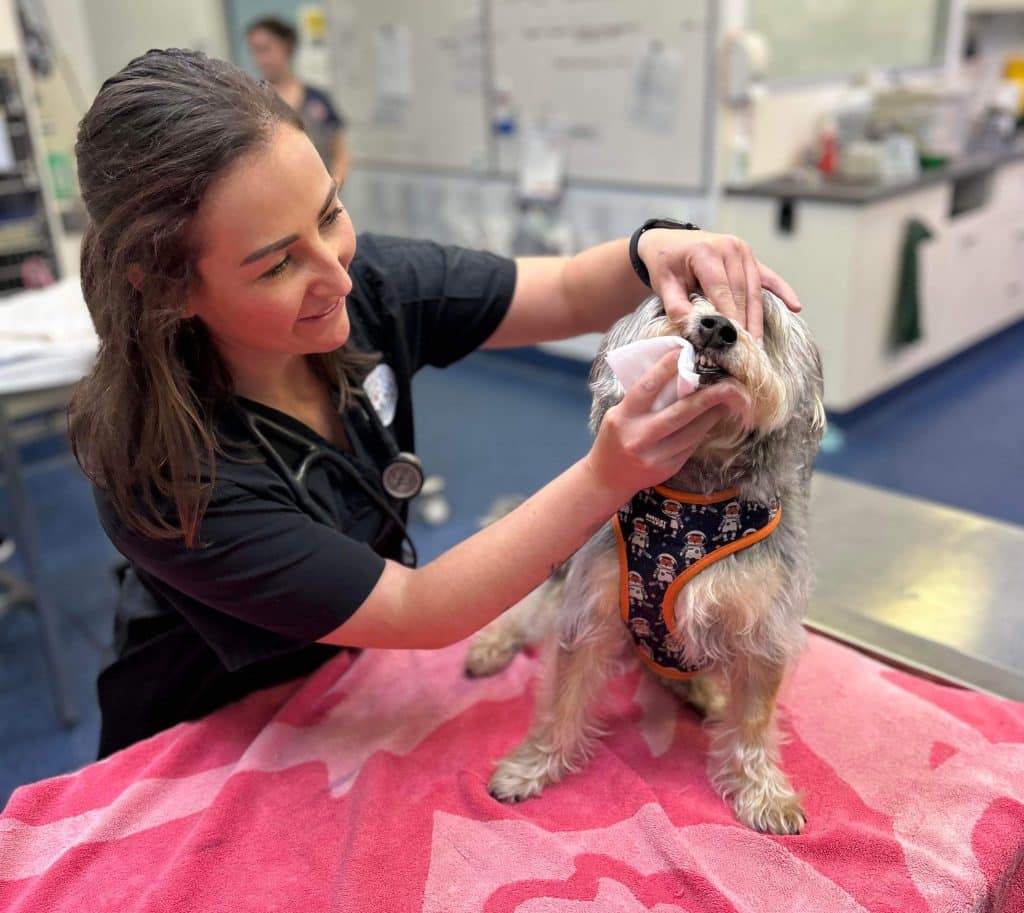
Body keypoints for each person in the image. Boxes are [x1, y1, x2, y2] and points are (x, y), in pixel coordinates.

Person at [69, 49, 801, 758]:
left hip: (346, 675)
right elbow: (418, 612)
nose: (340, 276)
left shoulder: (368, 282)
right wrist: (606, 479)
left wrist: (657, 249)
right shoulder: (159, 473)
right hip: (206, 727)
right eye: (279, 263)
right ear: (166, 286)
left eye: (330, 214)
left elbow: (570, 291)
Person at [246, 16, 350, 184]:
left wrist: (334, 186)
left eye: (265, 49)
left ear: (287, 47)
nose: (260, 60)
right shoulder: (251, 103)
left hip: (321, 198)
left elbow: (341, 152)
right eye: (254, 51)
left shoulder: (317, 99)